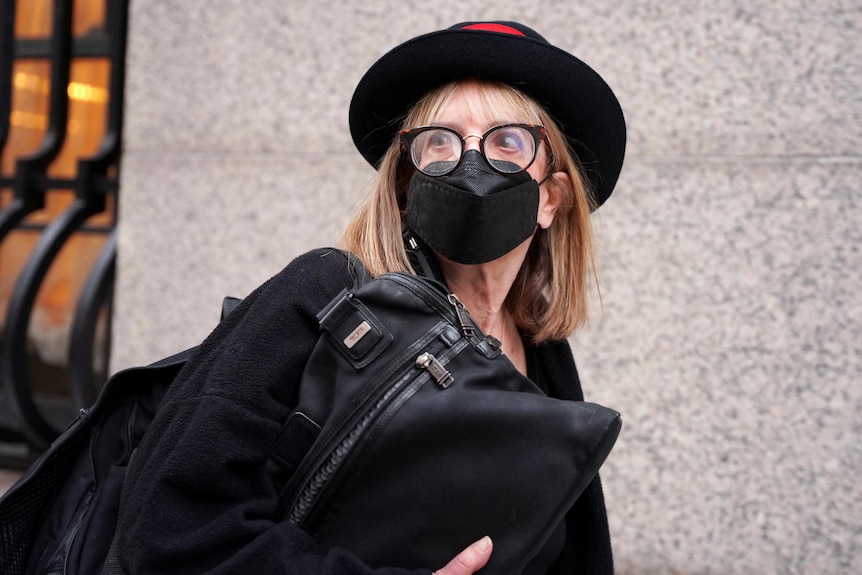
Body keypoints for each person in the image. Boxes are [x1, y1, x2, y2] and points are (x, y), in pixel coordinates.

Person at [115, 21, 626, 575]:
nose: (472, 163)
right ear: (408, 183)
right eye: (441, 141)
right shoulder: (323, 297)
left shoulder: (542, 351)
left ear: (551, 197)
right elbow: (169, 528)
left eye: (508, 142)